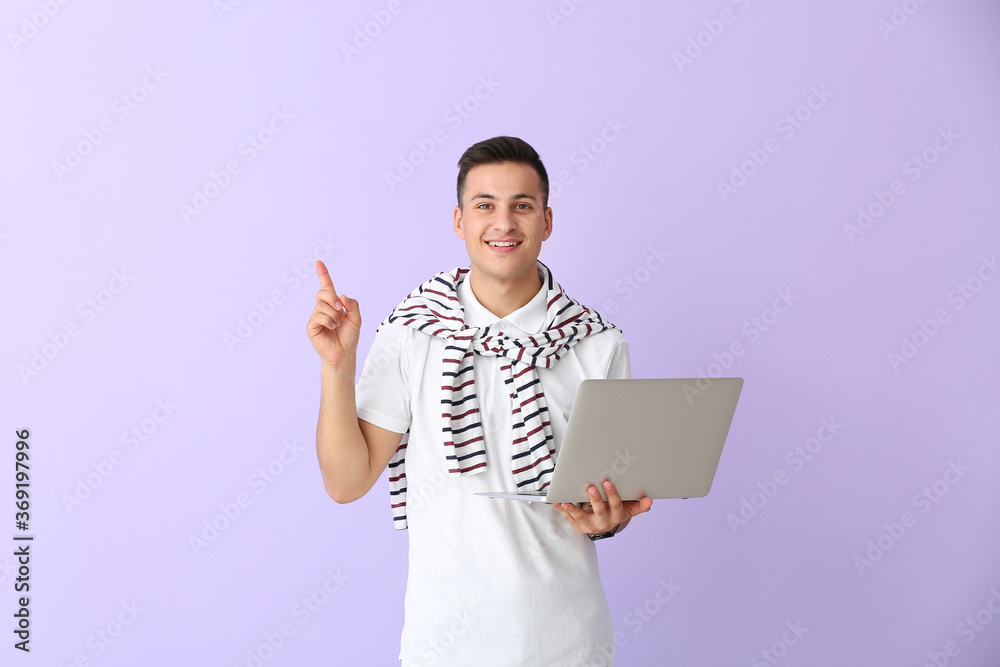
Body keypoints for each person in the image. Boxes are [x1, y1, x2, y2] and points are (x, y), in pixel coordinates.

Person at [306, 136, 652, 666]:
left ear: (547, 221)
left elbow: (607, 500)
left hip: (567, 641)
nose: (504, 223)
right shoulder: (414, 330)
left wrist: (609, 519)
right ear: (459, 221)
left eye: (523, 206)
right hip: (444, 643)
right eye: (485, 205)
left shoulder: (597, 343)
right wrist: (337, 365)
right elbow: (346, 483)